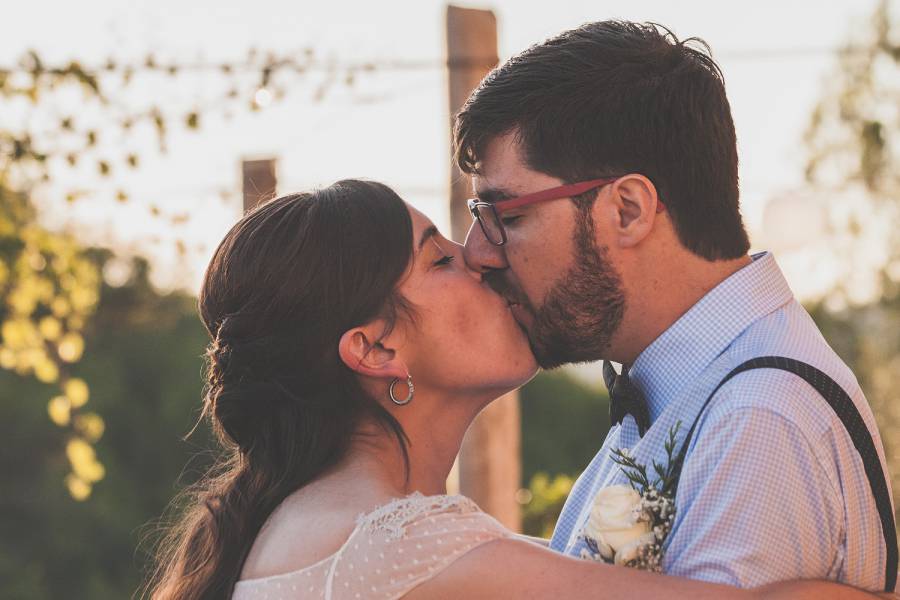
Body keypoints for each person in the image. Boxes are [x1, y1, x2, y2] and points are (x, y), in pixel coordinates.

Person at [144, 180, 882, 599]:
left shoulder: (312, 526)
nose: (483, 260)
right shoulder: (405, 550)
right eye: (439, 260)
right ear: (375, 348)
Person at [455, 19, 895, 592]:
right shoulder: (686, 388)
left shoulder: (758, 422)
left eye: (507, 216)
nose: (478, 253)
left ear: (630, 210)